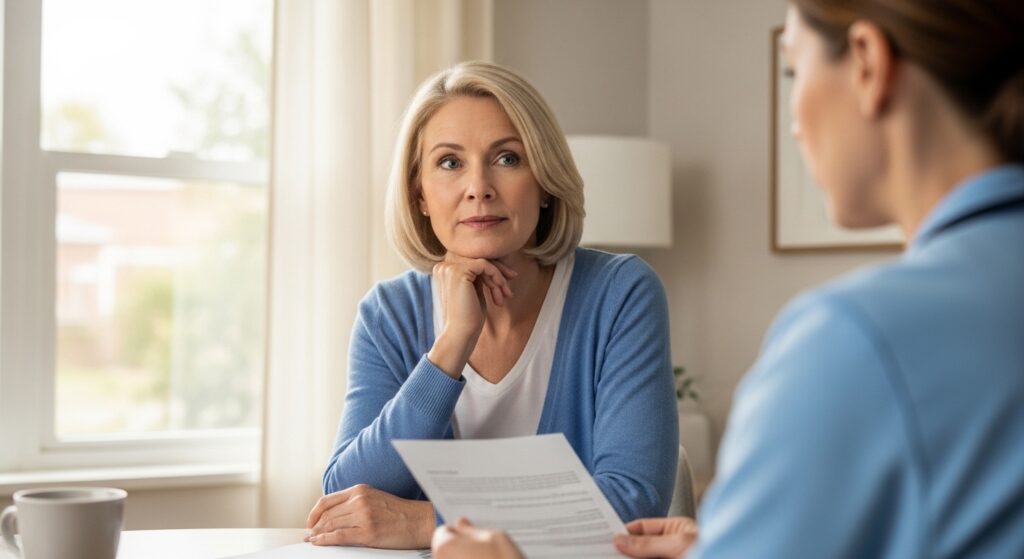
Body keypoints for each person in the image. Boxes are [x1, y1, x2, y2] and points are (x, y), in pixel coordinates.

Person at [431, 0, 1024, 557]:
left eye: (794, 72)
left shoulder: (854, 341)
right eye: (448, 162)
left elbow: (631, 488)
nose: (794, 124)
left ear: (868, 63)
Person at [304, 61, 679, 550]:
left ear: (544, 182)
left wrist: (427, 522)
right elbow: (348, 501)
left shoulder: (619, 293)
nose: (477, 186)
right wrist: (452, 343)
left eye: (507, 159)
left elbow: (633, 506)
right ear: (420, 194)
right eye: (449, 162)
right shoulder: (388, 314)